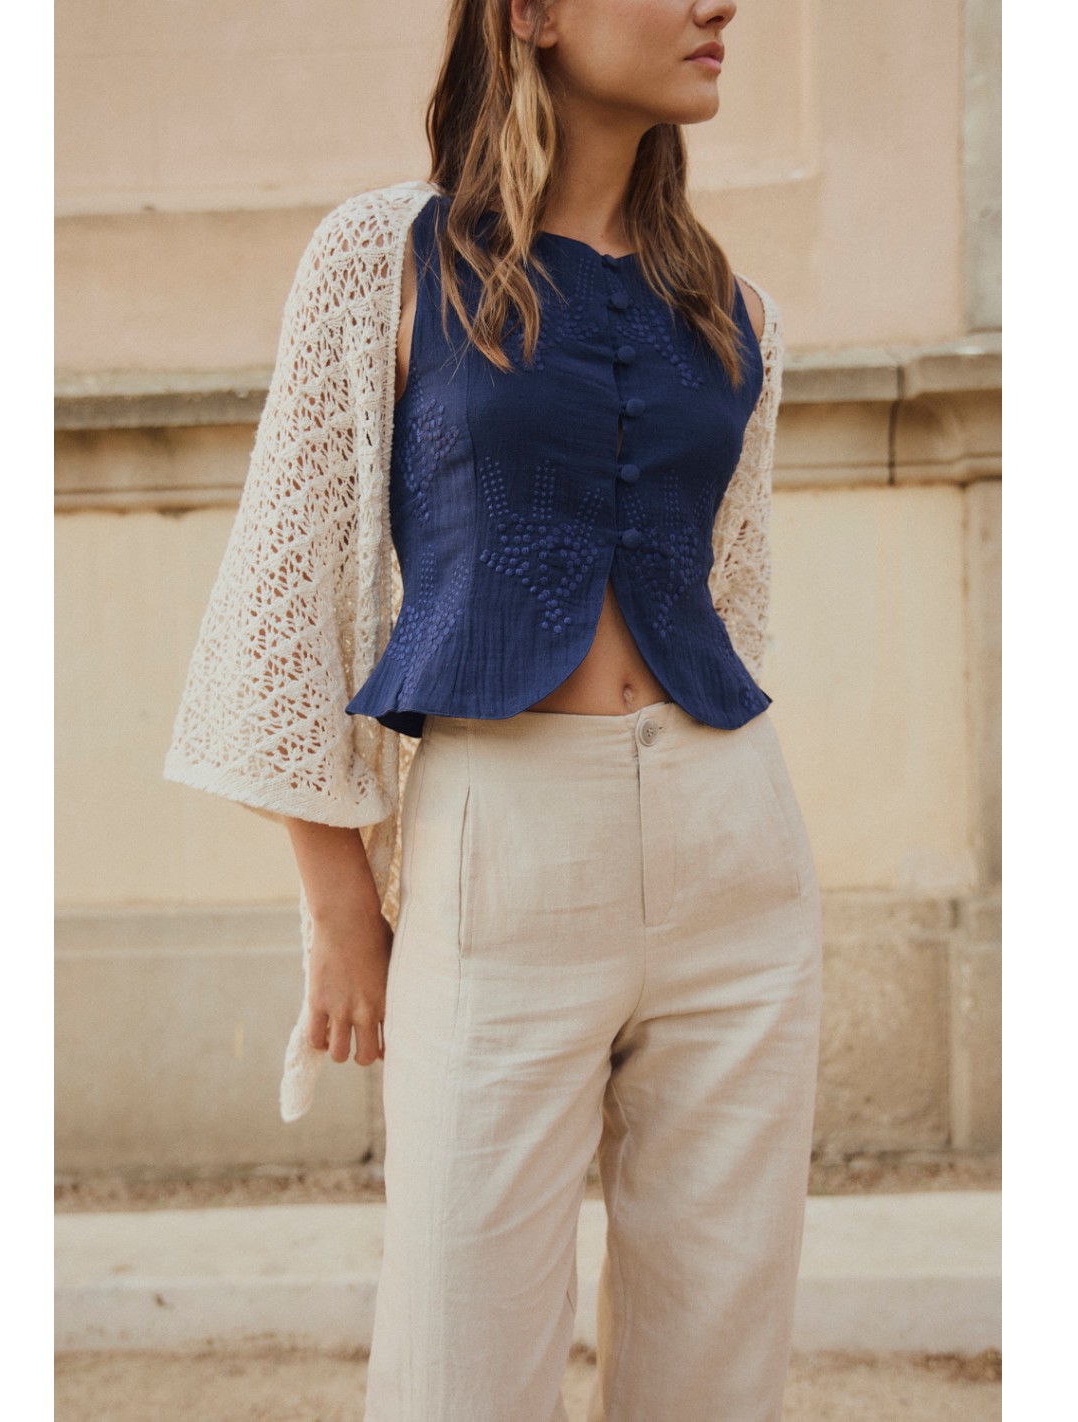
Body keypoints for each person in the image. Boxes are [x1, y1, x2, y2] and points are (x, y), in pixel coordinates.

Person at [165, 2, 823, 1418]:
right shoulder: (385, 260)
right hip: (501, 842)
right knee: (459, 1364)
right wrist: (339, 903)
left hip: (736, 849)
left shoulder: (739, 311)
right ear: (530, 13)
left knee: (718, 1362)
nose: (720, 5)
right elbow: (287, 590)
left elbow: (729, 602)